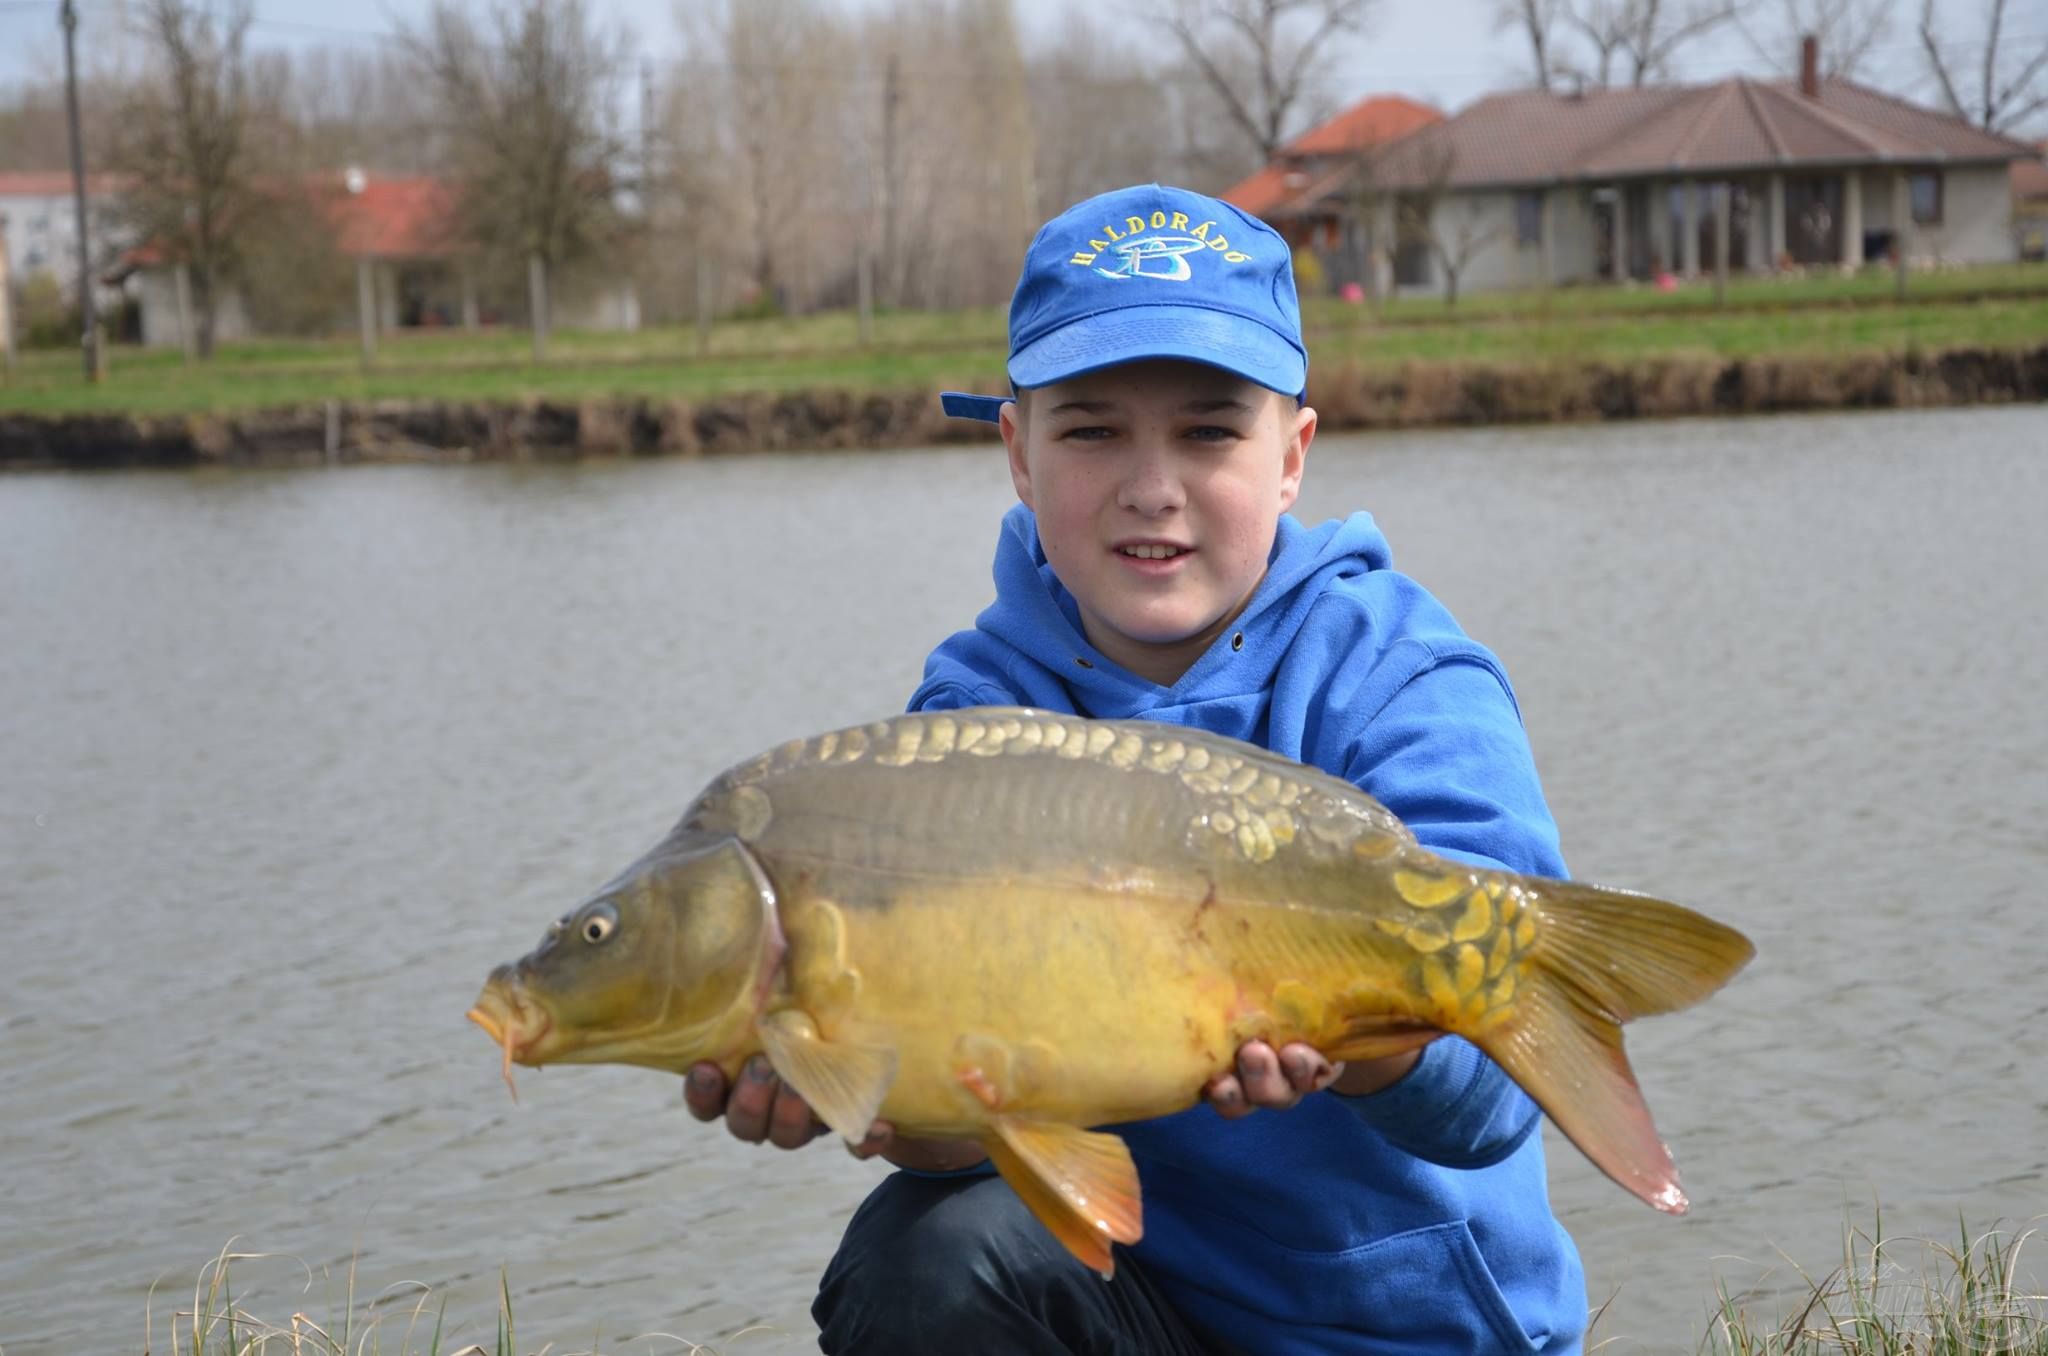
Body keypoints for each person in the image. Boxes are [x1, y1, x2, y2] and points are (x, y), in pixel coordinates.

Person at [684, 183, 1587, 1355]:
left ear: (1290, 455)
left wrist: (1372, 1047)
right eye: (1091, 429)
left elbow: (1494, 1107)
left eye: (1209, 431)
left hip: (1412, 1333)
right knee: (921, 1256)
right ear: (1015, 450)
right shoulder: (970, 724)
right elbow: (981, 1126)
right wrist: (865, 1086)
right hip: (1140, 1307)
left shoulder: (1399, 678)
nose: (1150, 484)